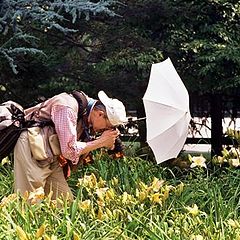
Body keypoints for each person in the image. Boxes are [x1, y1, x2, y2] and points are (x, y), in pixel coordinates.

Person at [14, 90, 127, 201]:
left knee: (64, 204)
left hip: (50, 153)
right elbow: (69, 151)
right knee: (29, 201)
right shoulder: (67, 108)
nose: (107, 130)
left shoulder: (85, 115)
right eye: (109, 126)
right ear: (100, 114)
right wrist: (101, 142)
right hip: (32, 147)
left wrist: (103, 142)